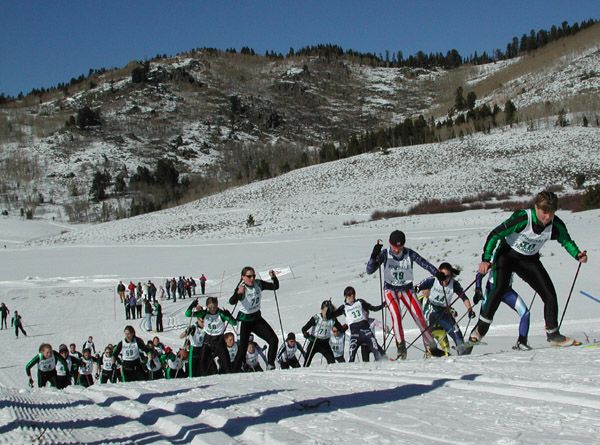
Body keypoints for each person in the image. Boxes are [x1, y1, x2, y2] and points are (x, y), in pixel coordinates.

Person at [470, 191, 588, 346]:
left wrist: (577, 255)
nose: (547, 217)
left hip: (528, 260)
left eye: (551, 213)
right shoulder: (522, 219)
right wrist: (486, 259)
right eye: (544, 212)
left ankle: (553, 334)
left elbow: (566, 240)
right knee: (499, 289)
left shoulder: (555, 225)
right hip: (507, 255)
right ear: (536, 207)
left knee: (549, 294)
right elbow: (495, 235)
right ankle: (480, 330)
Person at [366, 230, 445, 359]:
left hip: (407, 289)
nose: (397, 250)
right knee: (396, 315)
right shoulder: (385, 254)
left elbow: (424, 263)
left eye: (399, 247)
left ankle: (432, 347)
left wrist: (437, 273)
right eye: (394, 247)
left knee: (419, 316)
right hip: (390, 290)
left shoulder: (409, 253)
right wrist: (373, 255)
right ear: (390, 244)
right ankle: (401, 348)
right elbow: (369, 270)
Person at [418, 263, 475, 356]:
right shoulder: (433, 280)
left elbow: (464, 297)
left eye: (448, 276)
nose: (445, 278)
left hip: (443, 312)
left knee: (457, 332)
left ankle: (462, 354)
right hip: (431, 309)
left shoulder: (454, 284)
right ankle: (430, 352)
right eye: (443, 275)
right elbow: (416, 288)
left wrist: (470, 310)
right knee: (427, 333)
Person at [229, 267, 280, 372]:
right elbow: (232, 301)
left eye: (253, 276)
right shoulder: (241, 287)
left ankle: (270, 365)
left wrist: (273, 277)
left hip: (257, 319)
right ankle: (235, 370)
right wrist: (238, 293)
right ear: (243, 277)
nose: (252, 278)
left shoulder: (258, 284)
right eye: (249, 276)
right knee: (242, 349)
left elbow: (275, 286)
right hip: (245, 321)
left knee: (274, 340)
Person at [331, 286, 385, 362]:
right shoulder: (344, 307)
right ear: (346, 296)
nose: (352, 296)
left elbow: (373, 308)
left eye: (353, 294)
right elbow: (332, 316)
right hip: (355, 334)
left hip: (366, 332)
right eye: (349, 295)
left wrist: (383, 305)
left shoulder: (360, 302)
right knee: (351, 358)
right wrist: (328, 309)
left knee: (378, 354)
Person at [186, 297, 236, 375]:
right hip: (208, 340)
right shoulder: (204, 313)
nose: (213, 309)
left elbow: (234, 323)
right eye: (210, 307)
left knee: (226, 361)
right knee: (202, 361)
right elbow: (188, 314)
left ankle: (228, 376)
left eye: (214, 307)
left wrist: (229, 315)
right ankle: (204, 378)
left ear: (217, 305)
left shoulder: (221, 314)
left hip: (219, 340)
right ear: (207, 306)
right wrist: (192, 305)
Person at [302, 300, 343, 367]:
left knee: (332, 362)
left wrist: (342, 329)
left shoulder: (332, 319)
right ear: (321, 310)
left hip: (325, 343)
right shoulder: (317, 318)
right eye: (324, 310)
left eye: (328, 311)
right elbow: (304, 328)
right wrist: (306, 334)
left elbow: (340, 328)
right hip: (314, 341)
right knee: (307, 362)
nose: (326, 313)